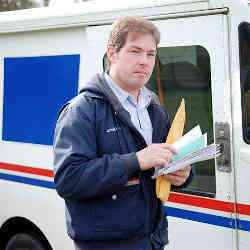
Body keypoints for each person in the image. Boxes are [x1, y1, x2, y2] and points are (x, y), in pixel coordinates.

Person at [53, 16, 194, 250]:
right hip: (104, 245)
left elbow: (169, 157)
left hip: (151, 240)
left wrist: (183, 174)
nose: (144, 61)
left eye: (150, 54)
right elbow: (69, 179)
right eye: (135, 51)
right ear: (112, 54)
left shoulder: (155, 110)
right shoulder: (83, 110)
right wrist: (136, 160)